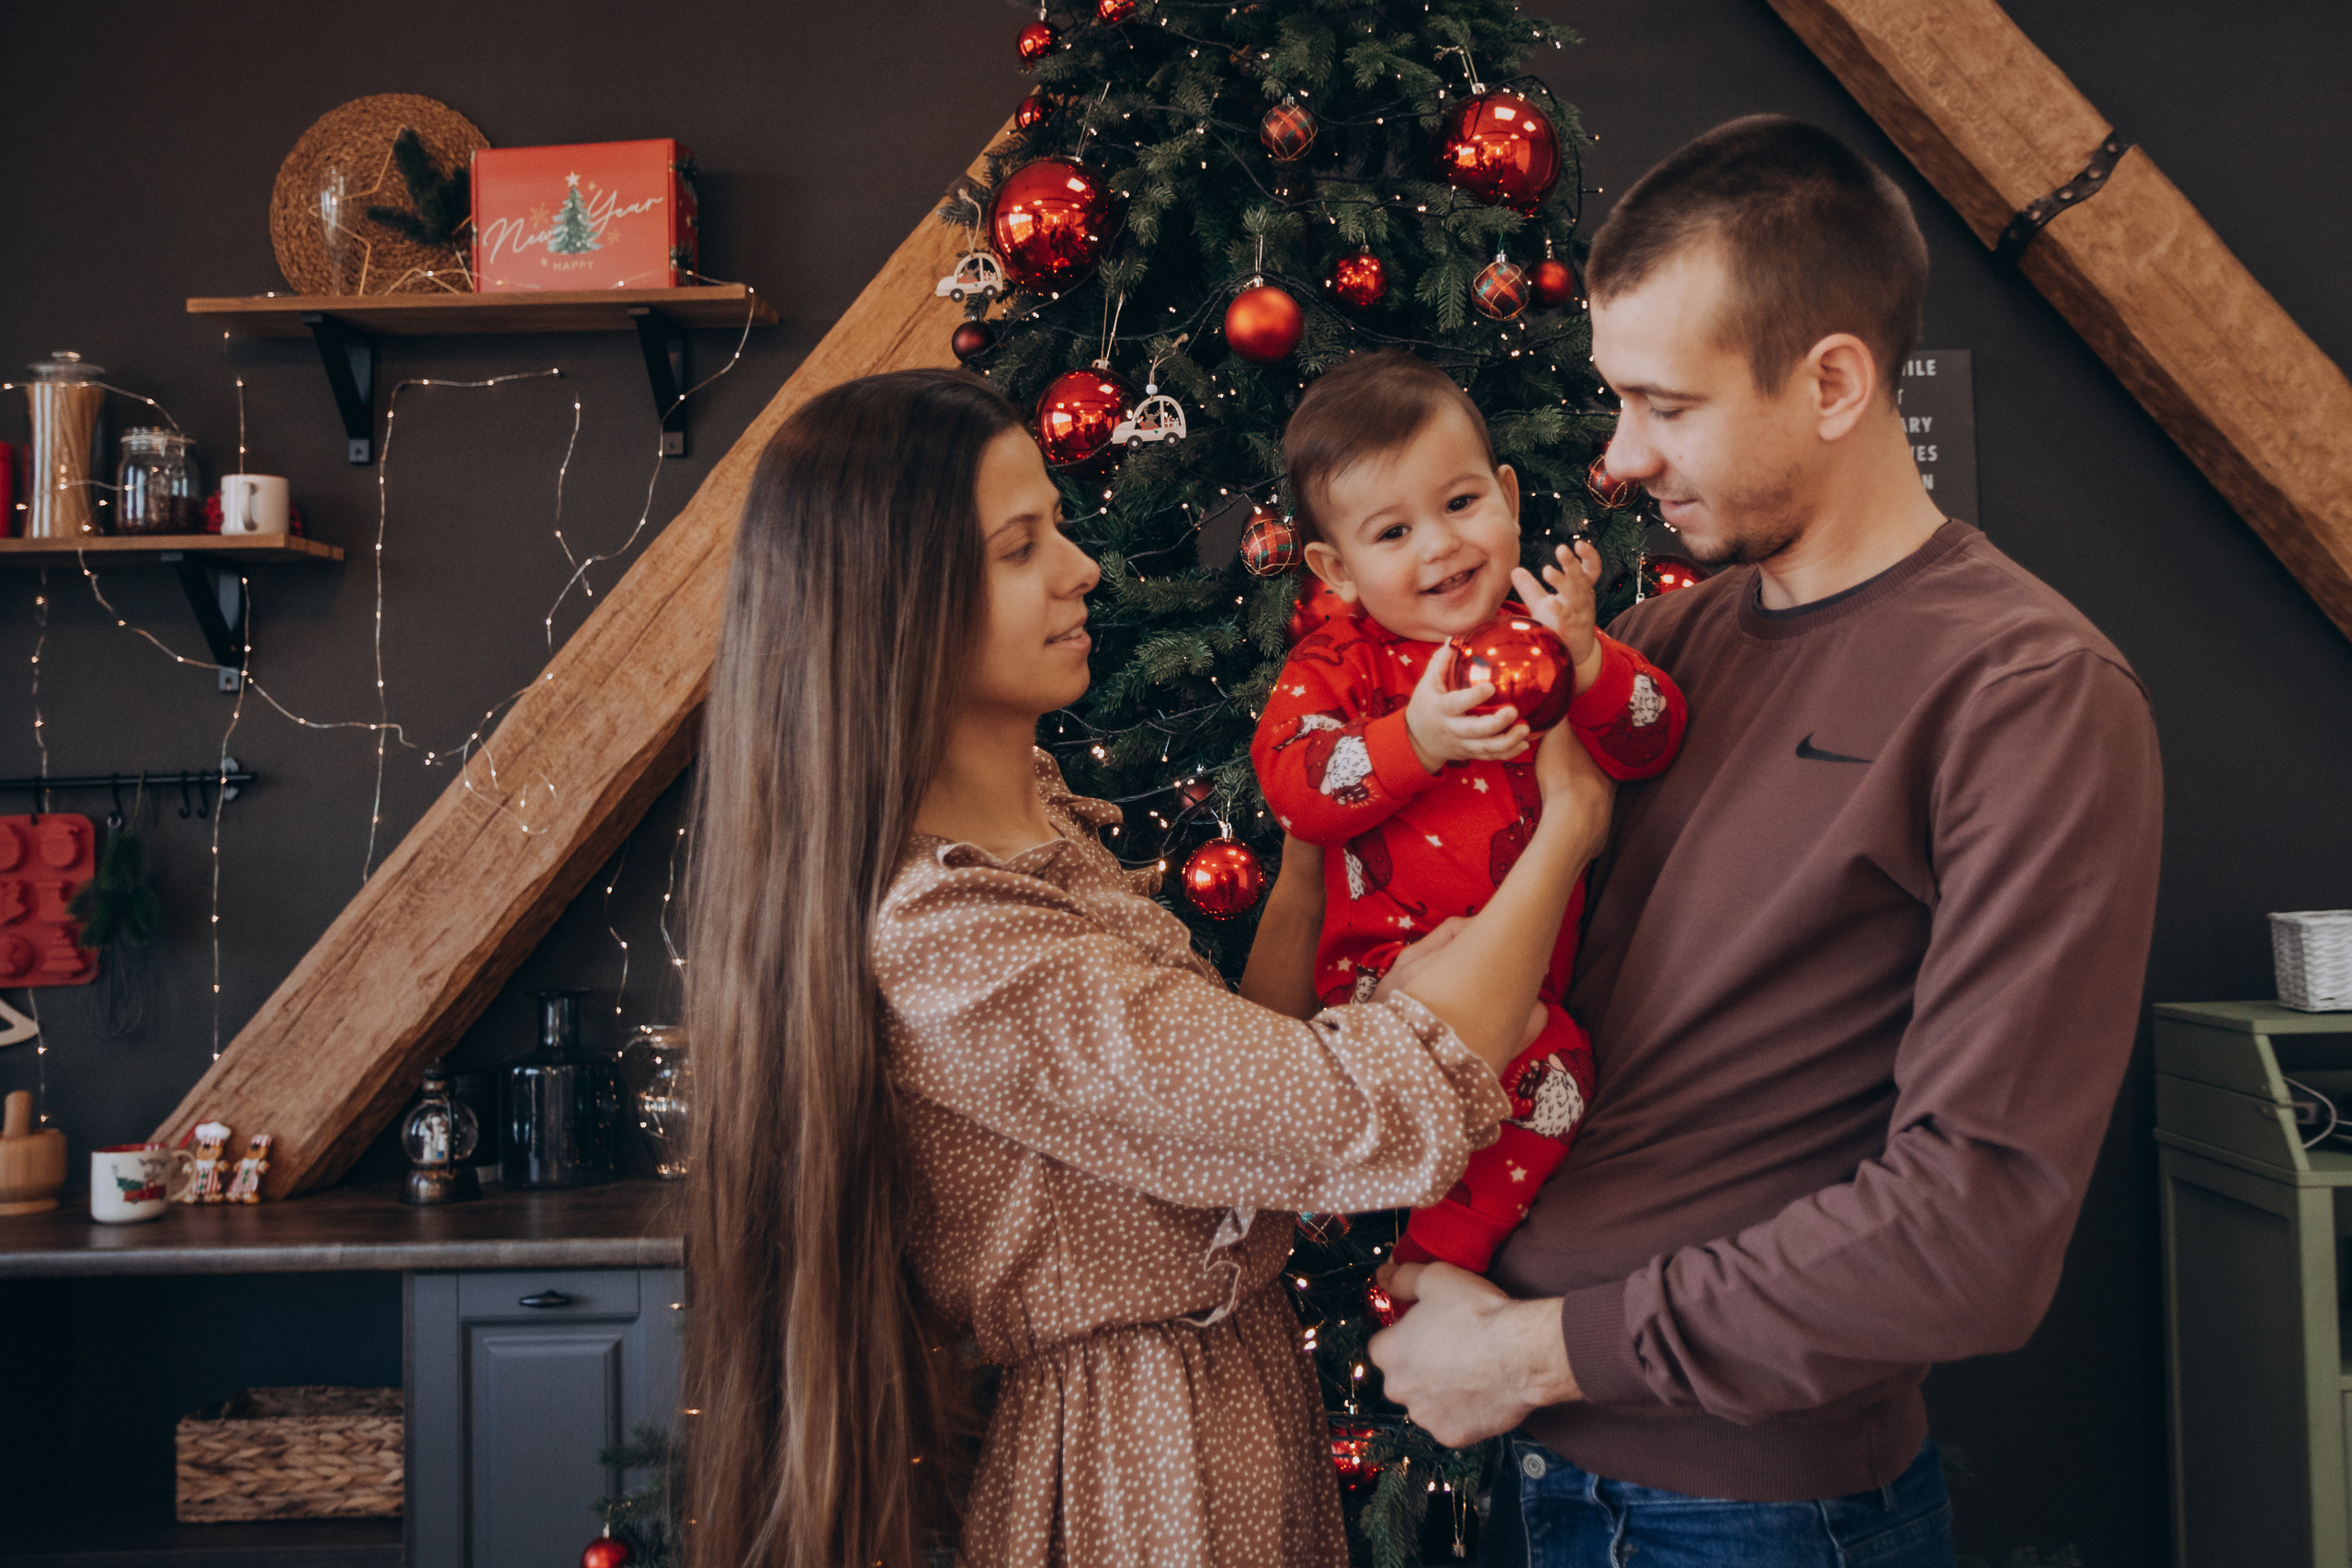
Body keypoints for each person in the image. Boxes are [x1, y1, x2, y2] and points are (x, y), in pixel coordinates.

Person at [1366, 116, 2164, 1567]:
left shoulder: (2026, 693)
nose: (1615, 459)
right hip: (1554, 1473)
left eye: (1663, 405)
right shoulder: (1661, 650)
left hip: (1759, 1513)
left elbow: (1974, 1226)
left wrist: (1543, 1348)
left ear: (1836, 382)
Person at [680, 367, 1617, 1568]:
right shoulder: (951, 935)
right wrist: (1563, 835)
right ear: (896, 606)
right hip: (1142, 1459)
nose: (1082, 568)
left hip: (1234, 1402)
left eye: (1058, 528)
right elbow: (1350, 1105)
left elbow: (1241, 1126)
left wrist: (1309, 861)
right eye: (1022, 548)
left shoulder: (1045, 835)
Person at [1252, 349, 1686, 1279]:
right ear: (1334, 568)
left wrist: (1589, 664)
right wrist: (1414, 738)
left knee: (1559, 1074)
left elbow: (1653, 736)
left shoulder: (1544, 636)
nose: (1441, 547)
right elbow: (1293, 782)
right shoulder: (1341, 667)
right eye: (1392, 532)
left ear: (1508, 495)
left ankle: (1433, 1265)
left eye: (1459, 505)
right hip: (1383, 986)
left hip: (1526, 995)